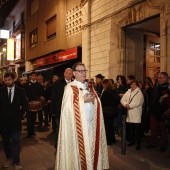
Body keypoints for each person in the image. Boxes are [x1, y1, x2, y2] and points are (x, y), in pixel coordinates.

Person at [55, 62, 109, 170]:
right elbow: (66, 110)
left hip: (91, 126)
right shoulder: (70, 88)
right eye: (80, 71)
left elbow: (97, 102)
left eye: (84, 70)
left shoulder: (89, 86)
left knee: (91, 150)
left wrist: (94, 101)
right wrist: (82, 100)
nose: (83, 73)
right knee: (80, 153)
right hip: (77, 128)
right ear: (74, 73)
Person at [0, 72, 28, 170]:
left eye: (9, 80)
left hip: (16, 122)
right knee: (6, 142)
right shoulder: (1, 90)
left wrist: (20, 115)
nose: (7, 82)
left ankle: (16, 162)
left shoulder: (21, 91)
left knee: (16, 142)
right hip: (3, 123)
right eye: (5, 80)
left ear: (14, 79)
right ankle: (8, 158)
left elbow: (25, 104)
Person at [146, 72, 170, 152]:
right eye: (158, 77)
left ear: (166, 78)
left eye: (161, 78)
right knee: (153, 128)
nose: (159, 79)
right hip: (153, 111)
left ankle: (164, 145)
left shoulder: (168, 88)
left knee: (163, 130)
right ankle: (153, 143)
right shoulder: (156, 86)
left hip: (162, 112)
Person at [50, 68, 73, 148]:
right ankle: (58, 146)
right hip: (60, 110)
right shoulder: (58, 83)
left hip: (71, 112)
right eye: (67, 73)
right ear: (64, 73)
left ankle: (68, 146)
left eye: (70, 73)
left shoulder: (74, 84)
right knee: (59, 129)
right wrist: (52, 110)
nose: (68, 75)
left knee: (70, 130)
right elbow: (54, 97)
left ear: (72, 74)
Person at [121, 80, 144, 150]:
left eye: (134, 84)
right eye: (131, 84)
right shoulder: (128, 92)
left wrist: (129, 106)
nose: (132, 86)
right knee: (131, 128)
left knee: (137, 130)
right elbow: (122, 99)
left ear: (137, 85)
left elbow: (138, 102)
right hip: (129, 113)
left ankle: (138, 144)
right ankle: (132, 141)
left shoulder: (139, 93)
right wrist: (125, 104)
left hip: (136, 113)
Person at [24, 72, 44, 137]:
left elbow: (41, 93)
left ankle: (32, 131)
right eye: (32, 76)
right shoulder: (27, 84)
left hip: (36, 104)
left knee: (34, 118)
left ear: (36, 77)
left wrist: (41, 97)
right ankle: (29, 132)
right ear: (30, 77)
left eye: (35, 76)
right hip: (29, 103)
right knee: (29, 118)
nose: (34, 77)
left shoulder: (39, 85)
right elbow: (24, 93)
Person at [100, 79, 119, 145]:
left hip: (107, 111)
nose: (103, 86)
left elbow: (102, 102)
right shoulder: (114, 91)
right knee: (111, 125)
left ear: (106, 84)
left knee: (107, 126)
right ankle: (112, 139)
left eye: (103, 84)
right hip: (114, 111)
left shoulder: (106, 92)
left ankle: (108, 140)